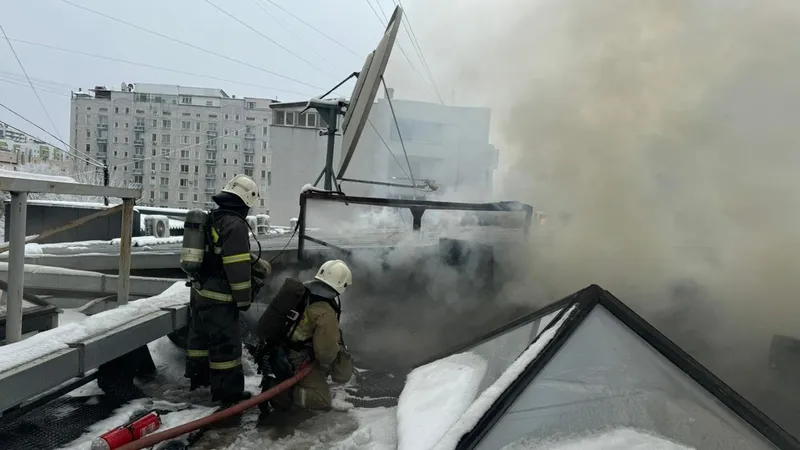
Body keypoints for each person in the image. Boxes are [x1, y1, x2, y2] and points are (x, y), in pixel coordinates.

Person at [185, 174, 267, 405]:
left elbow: (219, 254)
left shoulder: (214, 218)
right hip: (220, 299)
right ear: (246, 201)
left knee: (200, 342)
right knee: (226, 349)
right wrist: (243, 300)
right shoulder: (235, 224)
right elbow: (236, 267)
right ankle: (228, 395)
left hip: (200, 293)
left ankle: (199, 384)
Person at [265, 260, 355, 413]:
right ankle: (278, 392)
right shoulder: (325, 313)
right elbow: (325, 355)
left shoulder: (303, 291)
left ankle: (296, 381)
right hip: (297, 357)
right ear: (342, 285)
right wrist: (337, 354)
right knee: (322, 399)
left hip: (279, 348)